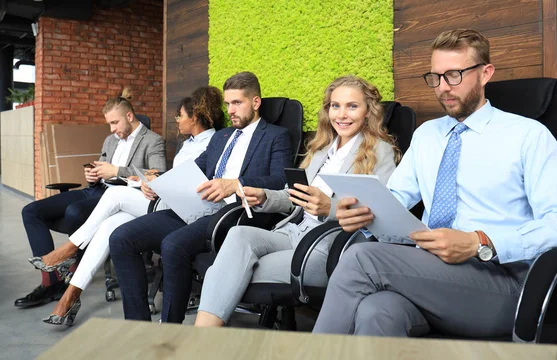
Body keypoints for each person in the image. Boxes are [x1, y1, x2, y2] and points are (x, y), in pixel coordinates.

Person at [311, 29, 557, 338]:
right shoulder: (427, 135)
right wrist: (364, 212)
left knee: (362, 258)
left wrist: (480, 241)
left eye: (454, 75)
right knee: (377, 309)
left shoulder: (528, 136)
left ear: (485, 73)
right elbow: (397, 198)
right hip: (429, 271)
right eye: (436, 77)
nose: (443, 88)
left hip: (502, 282)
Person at [193, 75, 400, 327]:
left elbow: (379, 214)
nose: (342, 115)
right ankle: (203, 340)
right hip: (292, 231)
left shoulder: (380, 151)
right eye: (335, 106)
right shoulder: (322, 148)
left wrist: (329, 208)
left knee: (225, 270)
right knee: (238, 236)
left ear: (368, 111)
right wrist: (265, 196)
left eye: (352, 106)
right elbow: (296, 198)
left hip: (325, 244)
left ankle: (200, 341)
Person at [31, 86, 225, 326]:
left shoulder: (215, 141)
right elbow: (173, 174)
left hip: (179, 205)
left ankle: (70, 249)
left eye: (180, 116)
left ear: (194, 117)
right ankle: (72, 293)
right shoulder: (189, 143)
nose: (176, 120)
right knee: (110, 226)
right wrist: (153, 180)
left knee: (114, 198)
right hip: (162, 196)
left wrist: (154, 180)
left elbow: (196, 180)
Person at [109, 71, 293, 321]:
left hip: (234, 213)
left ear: (256, 103)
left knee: (173, 245)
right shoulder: (222, 136)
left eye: (237, 103)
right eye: (228, 104)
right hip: (198, 207)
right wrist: (158, 181)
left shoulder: (275, 136)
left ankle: (170, 327)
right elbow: (194, 169)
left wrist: (235, 184)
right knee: (121, 237)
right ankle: (139, 324)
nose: (231, 110)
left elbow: (280, 180)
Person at [15, 89, 167, 309]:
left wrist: (117, 171)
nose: (112, 129)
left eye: (115, 123)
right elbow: (100, 166)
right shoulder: (110, 140)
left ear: (129, 117)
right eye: (109, 124)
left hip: (120, 196)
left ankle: (69, 261)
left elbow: (158, 173)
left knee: (74, 212)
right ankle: (53, 281)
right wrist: (92, 175)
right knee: (30, 211)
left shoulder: (153, 141)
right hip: (95, 191)